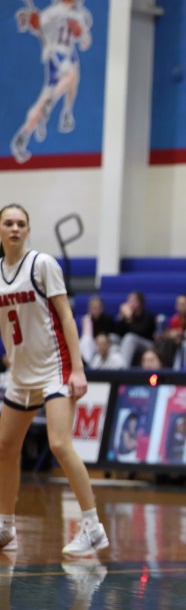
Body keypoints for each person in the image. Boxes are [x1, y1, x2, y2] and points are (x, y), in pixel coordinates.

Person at [0, 204, 108, 556]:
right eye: (8, 223)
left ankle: (92, 527)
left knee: (60, 444)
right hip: (21, 374)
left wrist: (78, 369)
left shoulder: (42, 264)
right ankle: (5, 527)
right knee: (5, 447)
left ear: (28, 230)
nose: (15, 228)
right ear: (0, 230)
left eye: (21, 223)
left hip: (54, 368)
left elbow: (67, 317)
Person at [9, 0, 92, 164]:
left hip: (64, 56)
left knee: (61, 85)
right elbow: (35, 24)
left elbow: (85, 42)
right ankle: (57, 106)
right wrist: (32, 20)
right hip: (57, 55)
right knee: (72, 73)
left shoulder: (79, 15)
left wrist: (80, 33)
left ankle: (23, 136)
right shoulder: (55, 12)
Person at [114, 290, 156, 366]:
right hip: (128, 343)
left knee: (129, 338)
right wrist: (121, 318)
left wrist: (129, 318)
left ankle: (122, 367)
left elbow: (140, 332)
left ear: (139, 303)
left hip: (147, 344)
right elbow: (118, 333)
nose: (129, 303)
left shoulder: (148, 316)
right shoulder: (126, 315)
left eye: (132, 301)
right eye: (129, 300)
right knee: (112, 338)